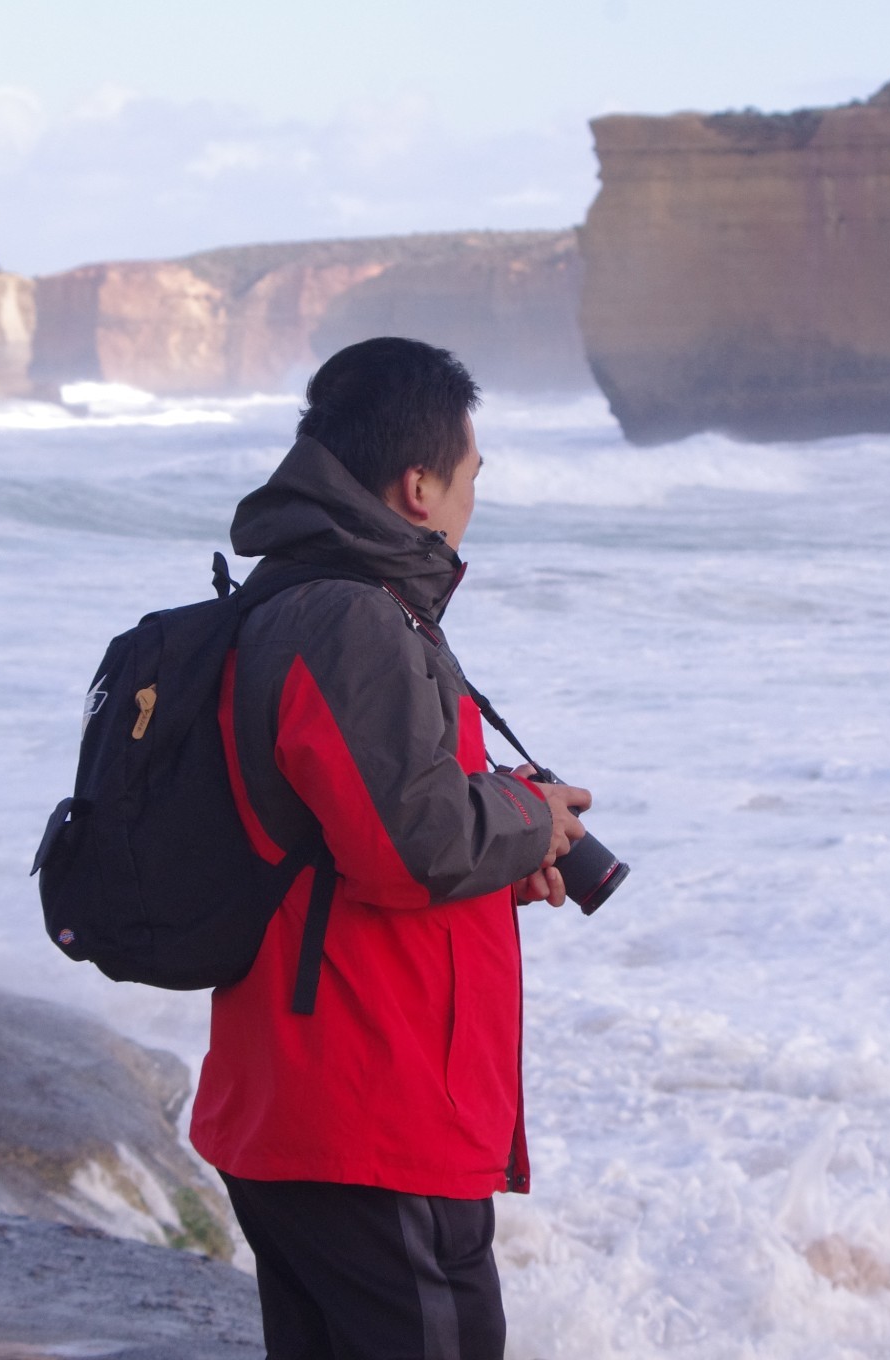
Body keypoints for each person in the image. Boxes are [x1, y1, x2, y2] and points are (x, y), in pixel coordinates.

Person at [188, 336, 591, 1359]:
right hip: (366, 1117)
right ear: (417, 487)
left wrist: (502, 840)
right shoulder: (351, 620)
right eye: (468, 481)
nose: (469, 507)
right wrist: (532, 819)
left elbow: (350, 828)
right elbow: (409, 847)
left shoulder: (295, 600)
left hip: (316, 1103)